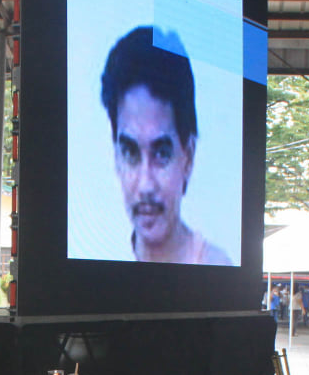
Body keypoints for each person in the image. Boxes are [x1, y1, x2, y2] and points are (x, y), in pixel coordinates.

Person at [100, 27, 233, 266]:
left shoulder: (217, 265)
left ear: (188, 157)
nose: (145, 185)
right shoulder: (100, 256)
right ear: (115, 155)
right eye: (130, 153)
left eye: (162, 154)